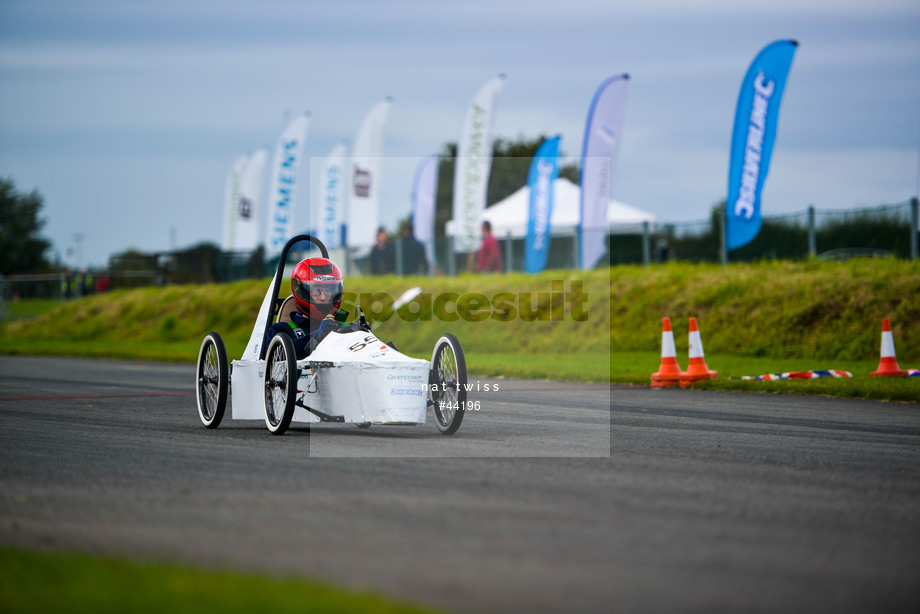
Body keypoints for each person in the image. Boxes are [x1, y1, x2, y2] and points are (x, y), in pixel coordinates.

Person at [263, 257, 347, 360]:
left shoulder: (344, 327)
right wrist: (317, 337)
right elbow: (279, 359)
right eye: (317, 291)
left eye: (328, 290)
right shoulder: (281, 330)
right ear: (303, 291)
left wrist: (362, 332)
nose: (323, 297)